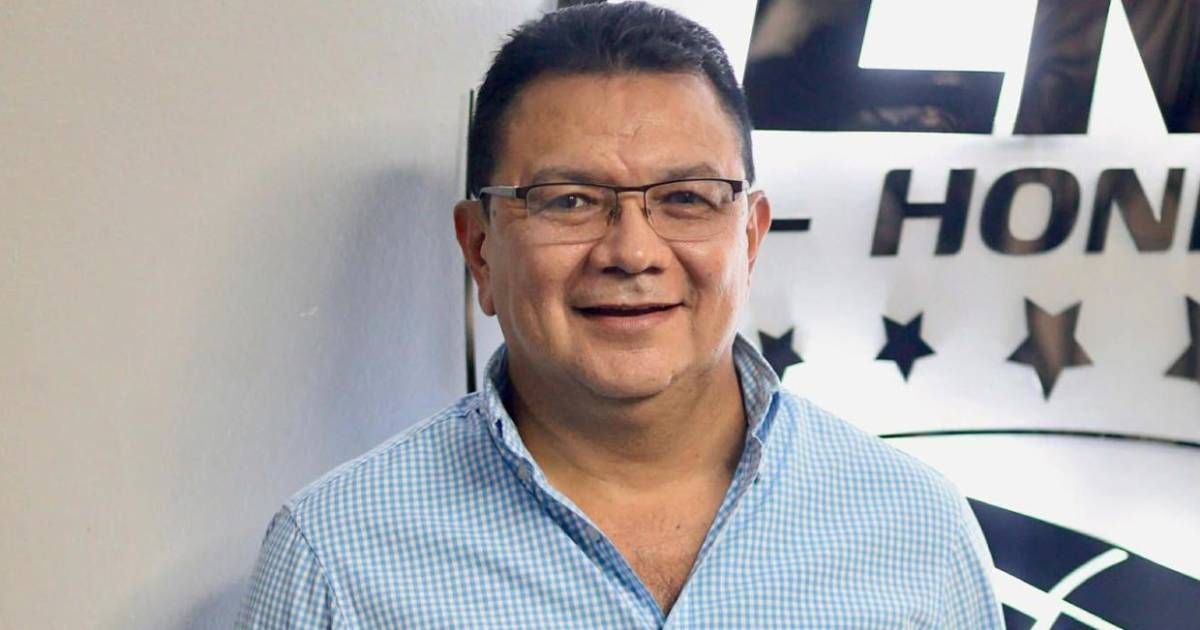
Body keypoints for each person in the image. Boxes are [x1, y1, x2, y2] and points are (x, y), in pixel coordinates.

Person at [238, 2, 1003, 627]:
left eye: (686, 198)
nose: (632, 252)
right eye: (568, 200)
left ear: (750, 238)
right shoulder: (336, 558)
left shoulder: (915, 531)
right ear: (480, 251)